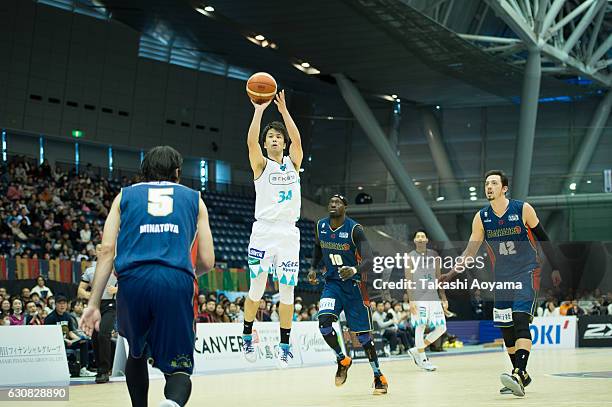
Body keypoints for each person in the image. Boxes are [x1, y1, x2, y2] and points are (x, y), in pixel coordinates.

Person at [80, 146, 215, 407]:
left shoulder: (124, 196)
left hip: (133, 281)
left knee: (136, 353)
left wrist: (93, 303)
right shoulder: (195, 199)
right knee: (179, 366)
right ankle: (172, 403)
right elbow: (207, 260)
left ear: (144, 172)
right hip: (175, 279)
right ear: (177, 172)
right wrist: (184, 275)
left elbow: (107, 250)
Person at [440, 170, 562, 397]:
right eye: (487, 183)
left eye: (494, 183)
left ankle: (518, 373)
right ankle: (521, 375)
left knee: (520, 320)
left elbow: (543, 237)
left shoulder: (522, 209)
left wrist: (554, 266)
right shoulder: (482, 217)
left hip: (527, 271)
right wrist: (451, 273)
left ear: (504, 188)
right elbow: (470, 251)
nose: (489, 187)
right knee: (506, 330)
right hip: (502, 278)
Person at [243, 90, 303, 368]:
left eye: (279, 136)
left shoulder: (294, 162)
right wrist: (258, 110)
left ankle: (285, 347)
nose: (275, 139)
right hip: (263, 232)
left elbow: (298, 139)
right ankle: (246, 335)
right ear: (266, 144)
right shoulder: (261, 165)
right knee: (256, 290)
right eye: (271, 137)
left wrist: (283, 112)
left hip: (289, 234)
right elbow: (250, 141)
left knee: (287, 293)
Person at [308, 194, 388, 395]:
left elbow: (369, 259)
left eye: (337, 203)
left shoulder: (355, 230)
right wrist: (313, 267)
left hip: (354, 287)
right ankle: (342, 359)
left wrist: (354, 269)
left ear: (345, 207)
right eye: (331, 202)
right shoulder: (321, 226)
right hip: (332, 284)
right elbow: (318, 248)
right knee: (324, 322)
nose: (333, 204)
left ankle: (378, 376)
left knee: (363, 337)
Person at [405, 229, 448, 371]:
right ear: (415, 241)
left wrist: (443, 298)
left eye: (423, 236)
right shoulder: (409, 257)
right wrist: (411, 301)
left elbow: (439, 278)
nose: (420, 238)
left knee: (442, 328)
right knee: (421, 326)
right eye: (418, 236)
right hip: (418, 297)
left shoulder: (434, 256)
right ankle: (423, 360)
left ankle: (417, 350)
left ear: (427, 240)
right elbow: (408, 280)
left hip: (433, 297)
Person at [78, 251, 118, 384]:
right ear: (97, 252)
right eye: (100, 250)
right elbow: (80, 290)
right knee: (95, 337)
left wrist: (117, 290)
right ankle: (100, 368)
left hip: (110, 305)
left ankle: (104, 370)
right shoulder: (90, 271)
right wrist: (92, 294)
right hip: (95, 305)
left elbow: (130, 284)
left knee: (103, 334)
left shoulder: (117, 269)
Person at [45, 294, 96, 377]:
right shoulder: (50, 318)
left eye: (64, 303)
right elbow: (50, 335)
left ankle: (83, 369)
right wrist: (65, 340)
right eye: (60, 303)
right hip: (55, 343)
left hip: (67, 341)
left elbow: (70, 332)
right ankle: (63, 371)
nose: (62, 305)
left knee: (84, 342)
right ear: (55, 304)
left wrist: (78, 339)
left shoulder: (68, 316)